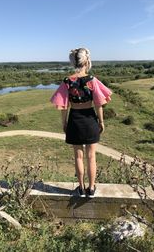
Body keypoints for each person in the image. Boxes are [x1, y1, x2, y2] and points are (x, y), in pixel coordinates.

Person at [50, 48, 112, 197]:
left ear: (74, 62)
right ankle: (91, 189)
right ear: (86, 61)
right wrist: (101, 121)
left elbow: (63, 106)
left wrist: (64, 123)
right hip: (90, 119)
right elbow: (98, 103)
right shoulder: (92, 80)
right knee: (91, 157)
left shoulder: (67, 82)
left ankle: (81, 188)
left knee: (78, 156)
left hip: (74, 119)